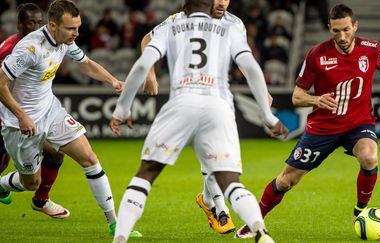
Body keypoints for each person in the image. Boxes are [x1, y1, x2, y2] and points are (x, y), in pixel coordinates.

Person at [235, 4, 380, 239]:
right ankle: (254, 221)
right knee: (286, 181)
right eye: (336, 31)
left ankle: (360, 211)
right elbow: (297, 96)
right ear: (329, 28)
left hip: (359, 123)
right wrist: (317, 99)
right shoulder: (317, 54)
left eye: (346, 29)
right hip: (322, 129)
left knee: (369, 156)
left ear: (355, 26)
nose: (342, 36)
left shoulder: (371, 49)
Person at [109, 0, 288, 242]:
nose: (222, 2)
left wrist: (122, 108)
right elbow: (250, 65)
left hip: (181, 102)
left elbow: (141, 63)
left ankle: (120, 237)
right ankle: (259, 231)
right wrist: (266, 112)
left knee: (146, 173)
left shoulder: (178, 25)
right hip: (218, 103)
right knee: (231, 179)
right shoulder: (228, 28)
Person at [0, 0, 141, 237]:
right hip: (20, 124)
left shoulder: (65, 42)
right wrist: (21, 115)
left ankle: (115, 224)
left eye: (78, 27)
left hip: (50, 111)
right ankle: (3, 184)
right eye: (71, 29)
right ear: (53, 26)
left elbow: (86, 64)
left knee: (89, 158)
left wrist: (113, 81)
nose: (76, 33)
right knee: (30, 183)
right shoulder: (30, 49)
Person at [140, 0, 249, 234]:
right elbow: (147, 39)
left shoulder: (236, 24)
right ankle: (221, 209)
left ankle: (209, 201)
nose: (221, 2)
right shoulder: (180, 19)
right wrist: (150, 74)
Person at [0, 2, 71, 219]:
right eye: (31, 22)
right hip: (6, 116)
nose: (36, 26)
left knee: (56, 153)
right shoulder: (10, 48)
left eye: (39, 22)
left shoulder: (43, 44)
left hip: (23, 116)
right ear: (19, 24)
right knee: (2, 163)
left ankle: (41, 200)